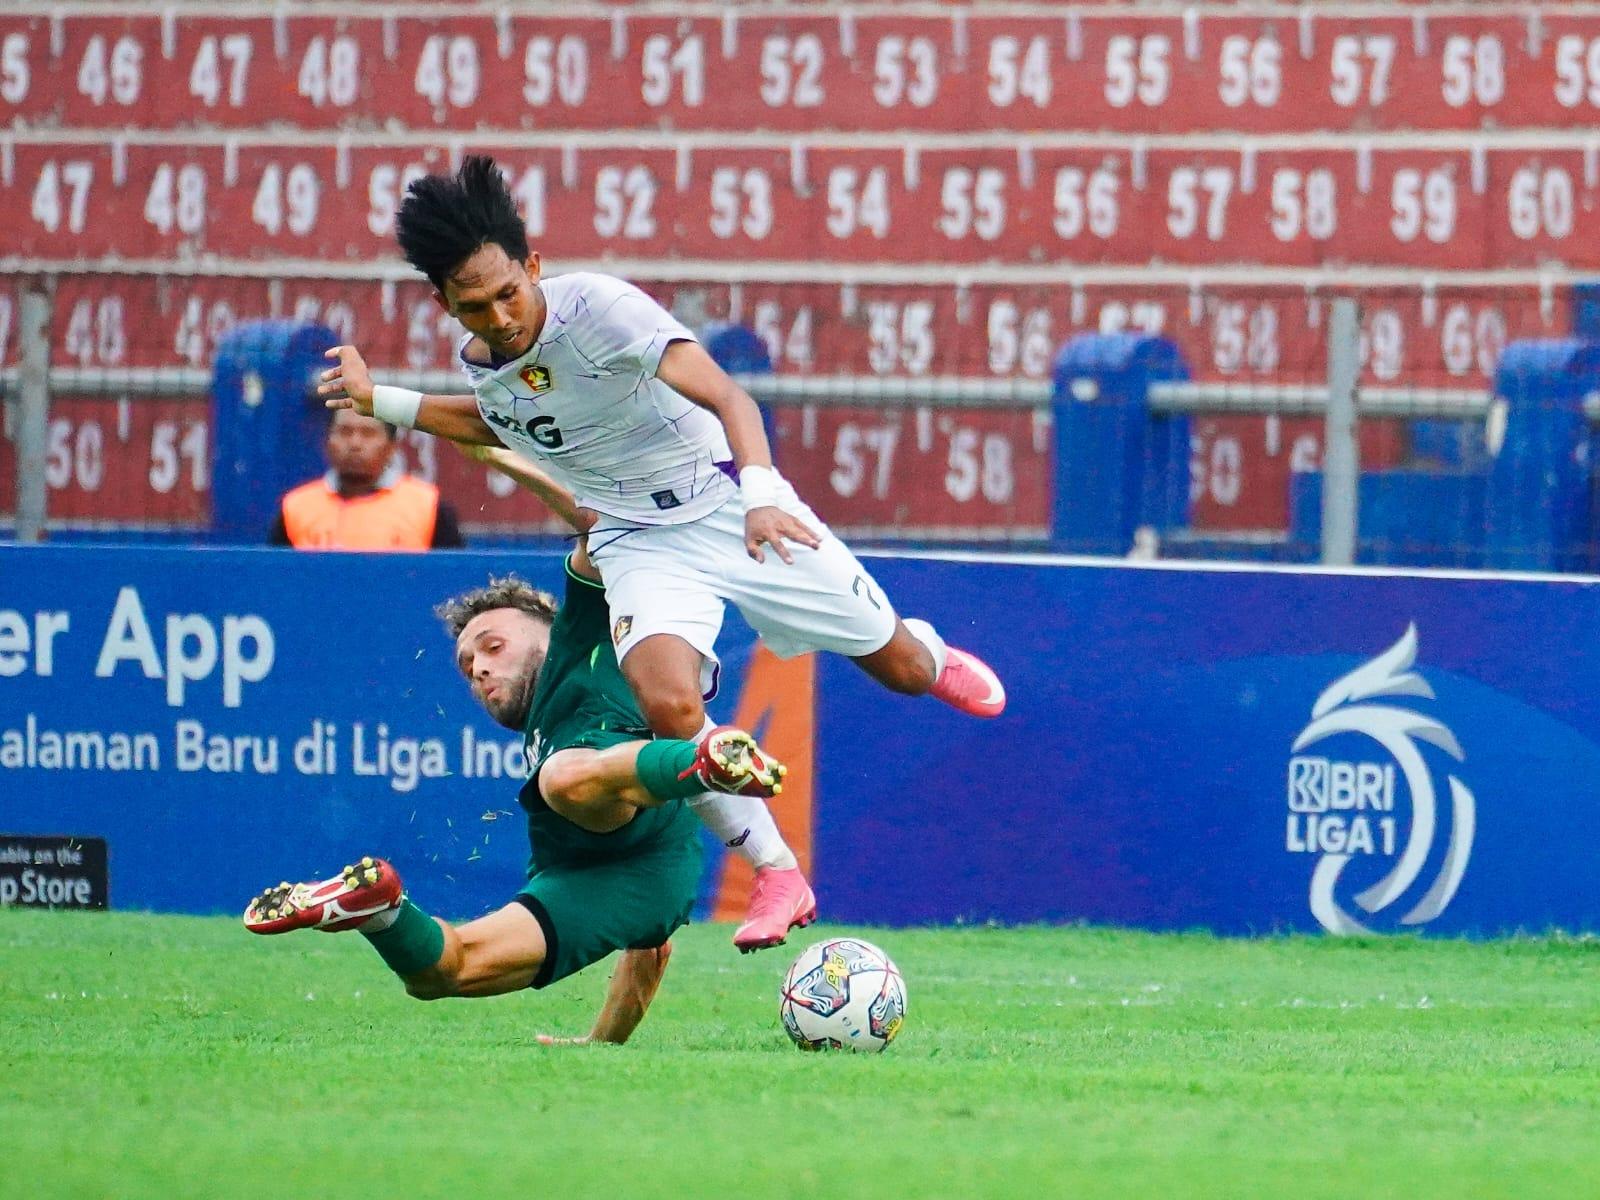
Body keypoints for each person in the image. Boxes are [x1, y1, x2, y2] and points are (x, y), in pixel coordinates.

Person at [319, 155, 1006, 943]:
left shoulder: (600, 308)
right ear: (444, 303)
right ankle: (778, 874)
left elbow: (727, 395)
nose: (502, 316)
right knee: (671, 707)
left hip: (727, 497)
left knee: (902, 673)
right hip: (636, 536)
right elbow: (492, 421)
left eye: (511, 292)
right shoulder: (483, 365)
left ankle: (925, 648)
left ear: (534, 266)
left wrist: (759, 497)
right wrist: (385, 402)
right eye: (476, 306)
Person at [243, 539, 789, 1045]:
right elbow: (650, 948)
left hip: (636, 821)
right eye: (468, 666)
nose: (479, 667)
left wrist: (515, 447)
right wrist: (600, 1046)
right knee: (442, 972)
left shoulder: (586, 633)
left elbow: (596, 524)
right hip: (596, 878)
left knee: (563, 778)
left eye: (493, 646)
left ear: (550, 631)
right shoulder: (541, 731)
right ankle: (380, 908)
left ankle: (700, 759)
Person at [269, 407, 465, 550]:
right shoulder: (296, 507)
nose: (355, 443)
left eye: (368, 433)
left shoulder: (428, 507)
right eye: (345, 432)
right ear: (327, 442)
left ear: (392, 447)